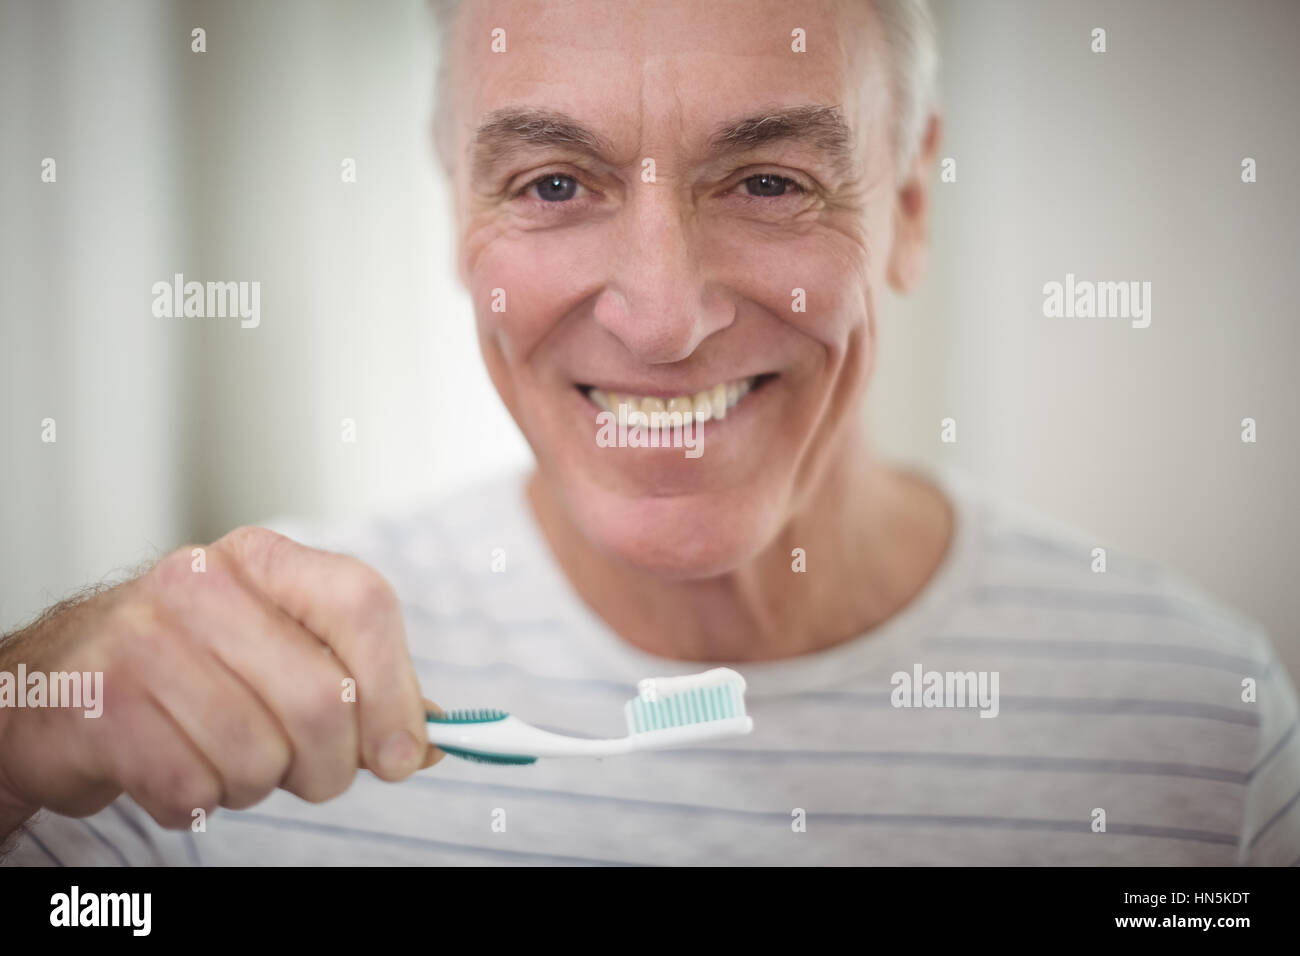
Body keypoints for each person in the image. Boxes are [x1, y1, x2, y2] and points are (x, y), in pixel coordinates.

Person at [3, 0, 1297, 866]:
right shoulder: (208, 717)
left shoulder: (1202, 719)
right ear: (456, 215)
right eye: (554, 184)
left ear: (905, 204)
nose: (663, 316)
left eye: (772, 181)